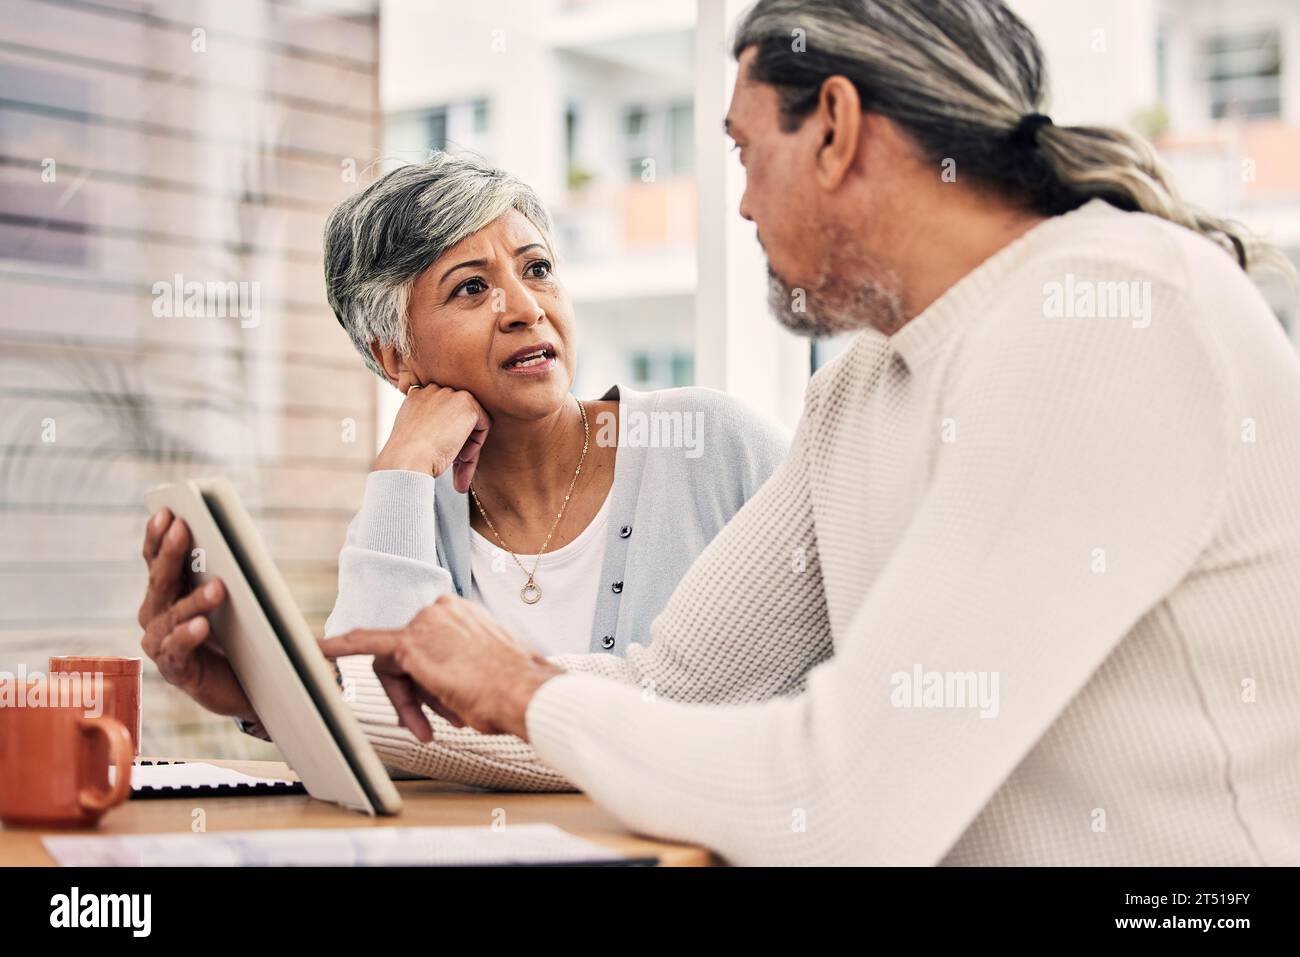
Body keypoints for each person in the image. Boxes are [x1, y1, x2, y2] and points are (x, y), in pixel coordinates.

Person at [316, 0, 1300, 865]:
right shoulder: (864, 390)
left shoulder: (1103, 315)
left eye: (745, 152)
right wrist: (283, 698)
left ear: (831, 127)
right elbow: (665, 690)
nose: (739, 203)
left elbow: (839, 807)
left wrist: (524, 689)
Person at [136, 152, 787, 774]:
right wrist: (403, 469)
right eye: (473, 288)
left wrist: (278, 694)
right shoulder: (405, 514)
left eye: (537, 269)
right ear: (394, 356)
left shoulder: (711, 446)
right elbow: (393, 742)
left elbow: (704, 716)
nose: (527, 309)